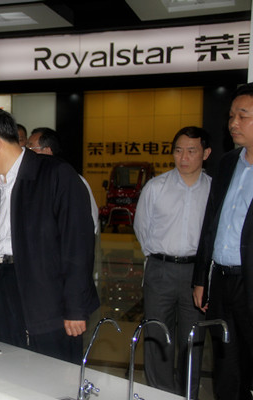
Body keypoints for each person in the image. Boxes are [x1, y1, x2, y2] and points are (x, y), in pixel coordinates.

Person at [0, 107, 99, 363]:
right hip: (5, 300)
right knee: (11, 372)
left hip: (50, 305)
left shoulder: (55, 175)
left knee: (52, 376)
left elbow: (78, 247)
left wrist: (75, 308)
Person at [134, 127, 211, 398]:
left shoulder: (214, 189)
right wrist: (159, 257)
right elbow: (141, 227)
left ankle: (187, 394)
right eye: (178, 150)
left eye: (191, 151)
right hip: (161, 269)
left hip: (197, 274)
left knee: (193, 340)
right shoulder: (156, 187)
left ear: (206, 153)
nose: (183, 157)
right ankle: (160, 395)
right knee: (157, 336)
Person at [193, 83, 253, 400]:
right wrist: (201, 278)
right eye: (231, 116)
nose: (233, 123)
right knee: (225, 363)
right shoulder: (228, 162)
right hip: (222, 281)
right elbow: (210, 225)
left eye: (242, 116)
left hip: (249, 280)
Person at [28, 127, 99, 234]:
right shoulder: (29, 181)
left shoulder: (71, 180)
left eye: (30, 148)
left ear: (47, 151)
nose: (25, 153)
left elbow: (89, 222)